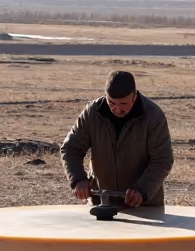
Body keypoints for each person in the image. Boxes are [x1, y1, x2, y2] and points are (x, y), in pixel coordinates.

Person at [61, 70, 174, 208]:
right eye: (111, 103)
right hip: (102, 203)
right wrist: (78, 179)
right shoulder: (92, 113)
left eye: (124, 104)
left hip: (143, 206)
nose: (117, 109)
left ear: (134, 96)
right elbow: (71, 149)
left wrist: (142, 190)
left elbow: (163, 159)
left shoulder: (153, 116)